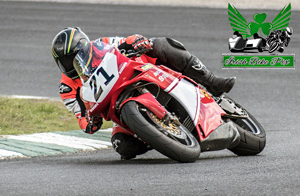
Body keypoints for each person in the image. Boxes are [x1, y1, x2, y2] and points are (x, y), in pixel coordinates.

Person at [51, 27, 236, 160]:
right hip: (117, 106)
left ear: (84, 46)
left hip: (138, 73)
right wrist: (89, 122)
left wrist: (135, 42)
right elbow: (81, 116)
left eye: (73, 57)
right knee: (122, 146)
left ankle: (212, 81)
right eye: (65, 61)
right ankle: (160, 136)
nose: (71, 64)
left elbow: (124, 42)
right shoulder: (67, 88)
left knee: (162, 44)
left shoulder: (101, 44)